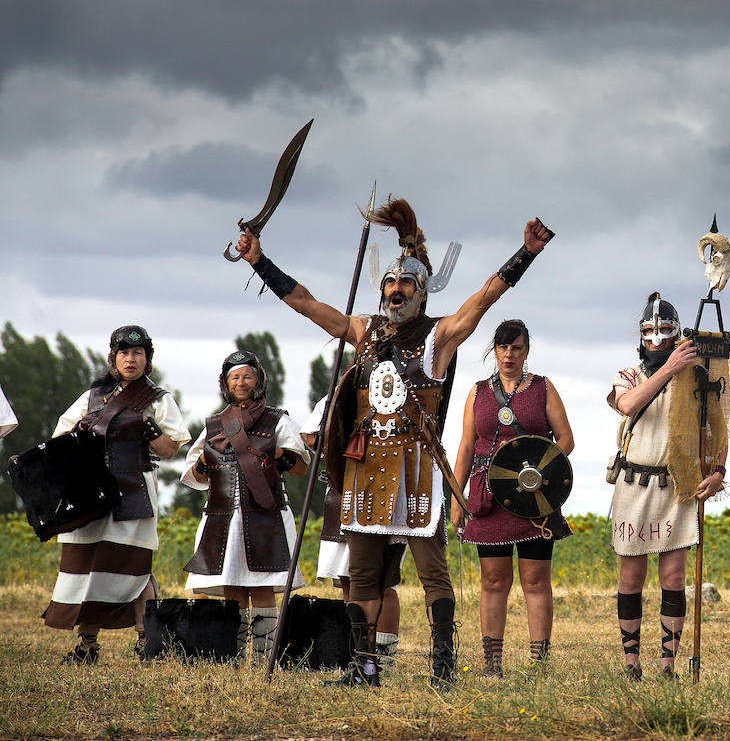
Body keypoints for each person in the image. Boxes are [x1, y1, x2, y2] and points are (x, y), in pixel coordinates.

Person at [234, 197, 553, 688]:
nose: (396, 290)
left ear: (422, 293)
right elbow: (305, 302)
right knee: (362, 576)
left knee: (432, 574)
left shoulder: (438, 338)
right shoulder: (362, 332)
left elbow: (485, 297)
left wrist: (525, 253)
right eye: (390, 283)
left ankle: (442, 666)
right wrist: (259, 261)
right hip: (367, 471)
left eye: (405, 284)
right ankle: (364, 666)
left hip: (418, 470)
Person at [43, 325, 191, 663]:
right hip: (89, 493)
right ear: (113, 358)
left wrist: (147, 427)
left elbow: (169, 449)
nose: (130, 359)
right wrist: (79, 434)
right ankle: (87, 647)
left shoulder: (158, 399)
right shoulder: (93, 397)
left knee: (134, 568)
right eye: (124, 353)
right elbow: (59, 438)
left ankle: (148, 642)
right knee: (87, 567)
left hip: (133, 492)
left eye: (138, 353)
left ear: (147, 359)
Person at [607, 293, 726, 680]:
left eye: (663, 332)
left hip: (677, 486)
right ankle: (631, 664)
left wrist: (719, 469)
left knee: (673, 579)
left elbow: (717, 426)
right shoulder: (629, 375)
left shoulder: (696, 378)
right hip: (633, 483)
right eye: (649, 332)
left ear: (676, 335)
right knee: (630, 578)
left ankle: (667, 666)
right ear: (640, 337)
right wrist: (669, 368)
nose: (655, 338)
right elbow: (627, 405)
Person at [452, 319, 575, 677]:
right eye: (503, 347)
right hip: (488, 496)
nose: (509, 354)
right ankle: (492, 665)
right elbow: (465, 446)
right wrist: (457, 498)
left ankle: (539, 665)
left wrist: (539, 467)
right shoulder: (477, 393)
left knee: (535, 581)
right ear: (494, 351)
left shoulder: (543, 388)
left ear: (526, 352)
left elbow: (566, 439)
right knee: (492, 580)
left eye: (516, 347)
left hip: (534, 499)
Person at [181, 350, 310, 665]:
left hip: (266, 515)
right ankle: (234, 659)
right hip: (224, 517)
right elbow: (195, 474)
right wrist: (206, 457)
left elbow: (298, 466)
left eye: (247, 376)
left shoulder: (278, 419)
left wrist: (267, 451)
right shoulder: (214, 425)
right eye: (234, 377)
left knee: (263, 585)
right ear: (226, 384)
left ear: (258, 381)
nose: (241, 382)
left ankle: (264, 660)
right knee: (233, 588)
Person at [303, 395, 403, 670]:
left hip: (386, 488)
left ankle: (383, 655)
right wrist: (335, 436)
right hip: (343, 491)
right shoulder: (341, 392)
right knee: (348, 579)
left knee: (384, 582)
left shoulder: (397, 389)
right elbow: (310, 437)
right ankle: (358, 650)